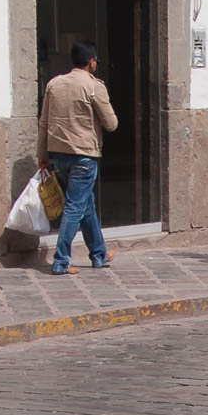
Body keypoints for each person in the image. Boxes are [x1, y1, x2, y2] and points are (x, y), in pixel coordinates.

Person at [38, 40, 119, 275]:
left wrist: (42, 155)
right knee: (74, 206)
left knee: (86, 205)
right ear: (92, 61)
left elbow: (43, 122)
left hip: (59, 155)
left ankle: (98, 253)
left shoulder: (54, 84)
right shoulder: (93, 86)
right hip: (84, 155)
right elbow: (111, 123)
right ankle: (61, 260)